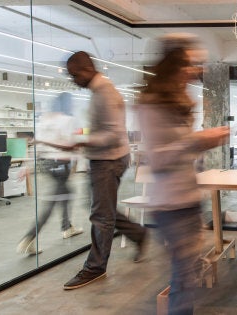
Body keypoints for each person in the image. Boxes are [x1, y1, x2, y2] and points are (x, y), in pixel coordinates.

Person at [137, 34, 230, 314]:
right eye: (190, 64)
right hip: (170, 205)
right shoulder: (151, 104)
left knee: (187, 277)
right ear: (174, 65)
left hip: (187, 201)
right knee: (184, 280)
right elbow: (159, 158)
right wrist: (199, 140)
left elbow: (181, 153)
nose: (195, 70)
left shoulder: (180, 101)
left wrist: (200, 142)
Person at [63, 51, 147, 290]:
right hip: (104, 159)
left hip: (108, 160)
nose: (73, 80)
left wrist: (82, 141)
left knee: (101, 215)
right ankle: (138, 234)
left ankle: (95, 267)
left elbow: (111, 134)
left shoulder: (105, 93)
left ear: (87, 70)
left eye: (75, 74)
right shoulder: (99, 91)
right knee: (103, 210)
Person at [17, 92, 83, 255]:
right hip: (61, 164)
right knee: (52, 202)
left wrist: (28, 166)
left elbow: (37, 146)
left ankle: (67, 227)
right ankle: (28, 238)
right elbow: (70, 144)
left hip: (46, 164)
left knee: (67, 193)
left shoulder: (44, 120)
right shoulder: (68, 120)